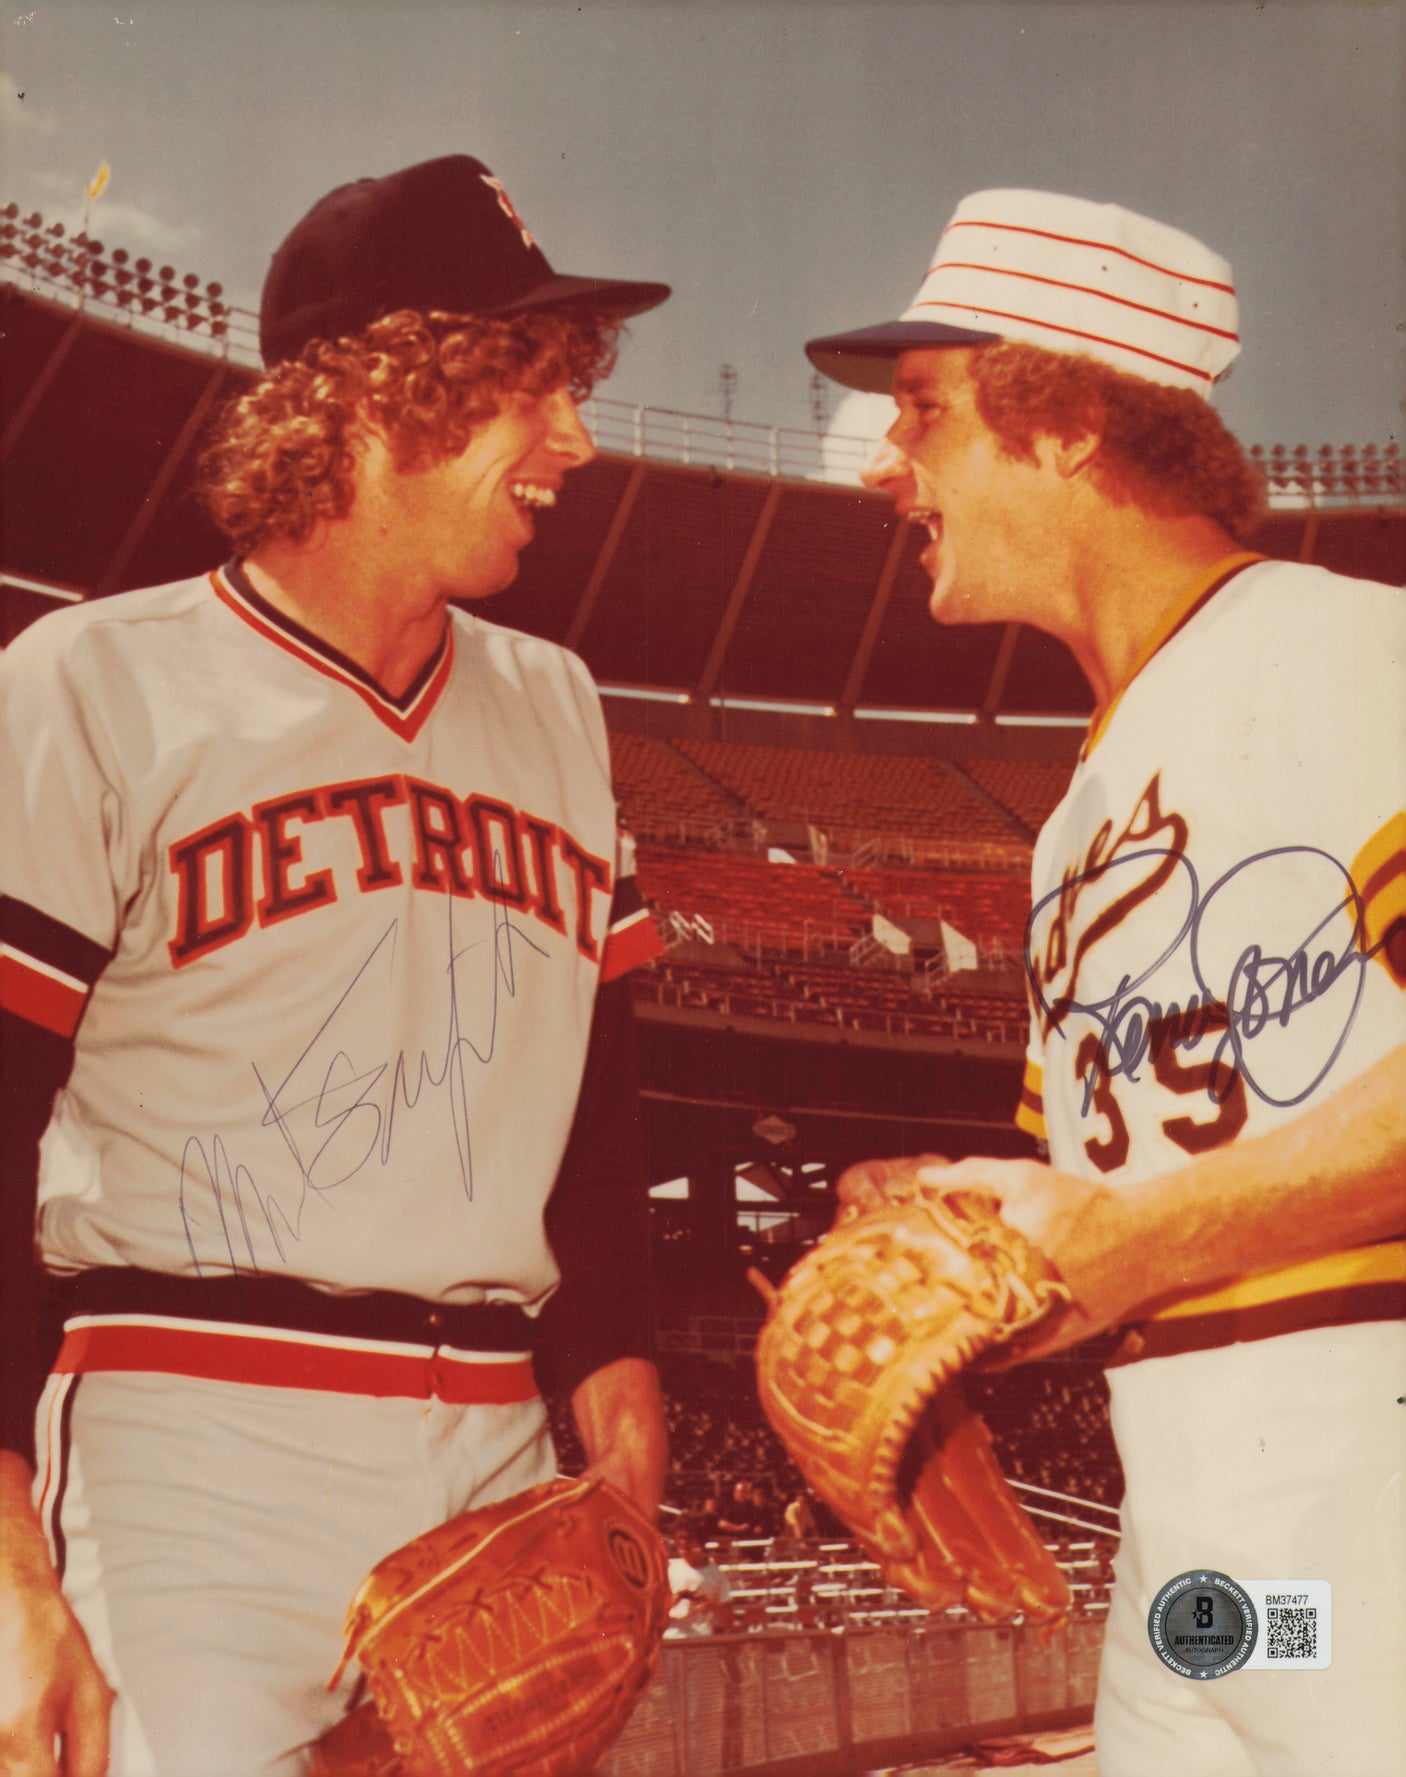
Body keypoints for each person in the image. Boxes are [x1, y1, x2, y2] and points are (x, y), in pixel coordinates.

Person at [0, 153, 671, 1776]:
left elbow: (598, 1135)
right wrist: (11, 1573)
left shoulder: (560, 710)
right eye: (532, 385)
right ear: (384, 397)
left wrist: (627, 1489)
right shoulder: (94, 684)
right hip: (192, 1439)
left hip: (503, 1451)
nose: (575, 438)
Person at [806, 189, 1404, 1776]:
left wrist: (1134, 1237)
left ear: (1065, 419)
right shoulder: (1076, 815)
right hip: (1216, 1575)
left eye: (920, 414)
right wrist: (939, 1266)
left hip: (1373, 1502)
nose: (886, 466)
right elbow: (1095, 1204)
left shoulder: (1351, 651)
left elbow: (1134, 1227)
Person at [665, 1523, 734, 1637]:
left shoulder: (717, 1575)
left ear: (700, 1541)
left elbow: (729, 1621)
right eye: (679, 1538)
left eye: (689, 1538)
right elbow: (653, 1615)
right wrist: (671, 1602)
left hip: (702, 1641)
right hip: (672, 1639)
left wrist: (711, 1606)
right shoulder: (668, 1569)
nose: (684, 1543)